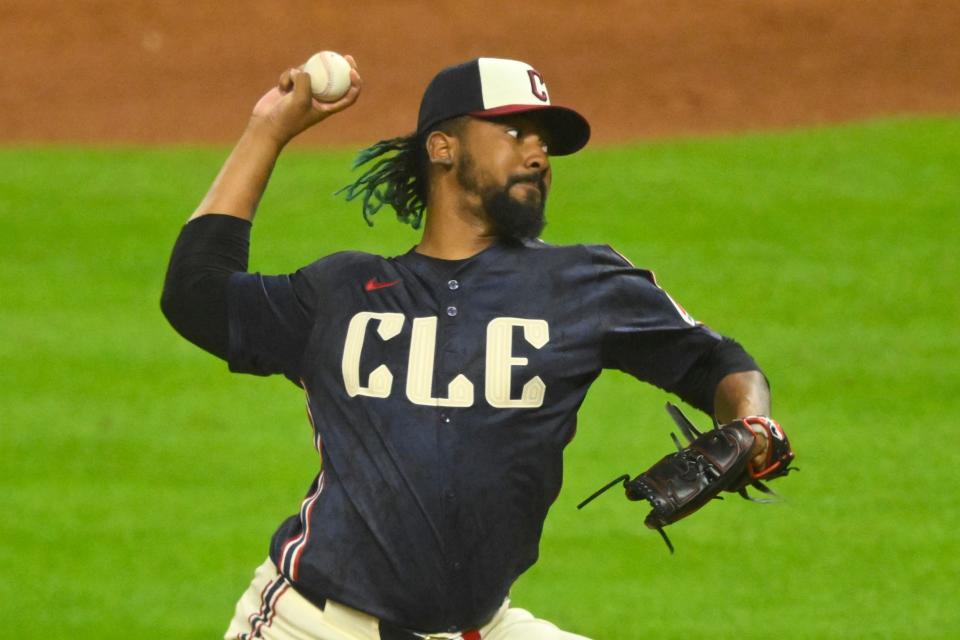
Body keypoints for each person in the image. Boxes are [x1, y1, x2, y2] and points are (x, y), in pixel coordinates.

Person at [162, 56, 775, 640]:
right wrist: (267, 131)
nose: (538, 155)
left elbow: (714, 362)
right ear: (442, 147)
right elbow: (195, 295)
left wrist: (751, 424)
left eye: (545, 143)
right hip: (313, 624)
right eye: (514, 132)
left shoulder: (584, 284)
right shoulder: (342, 292)